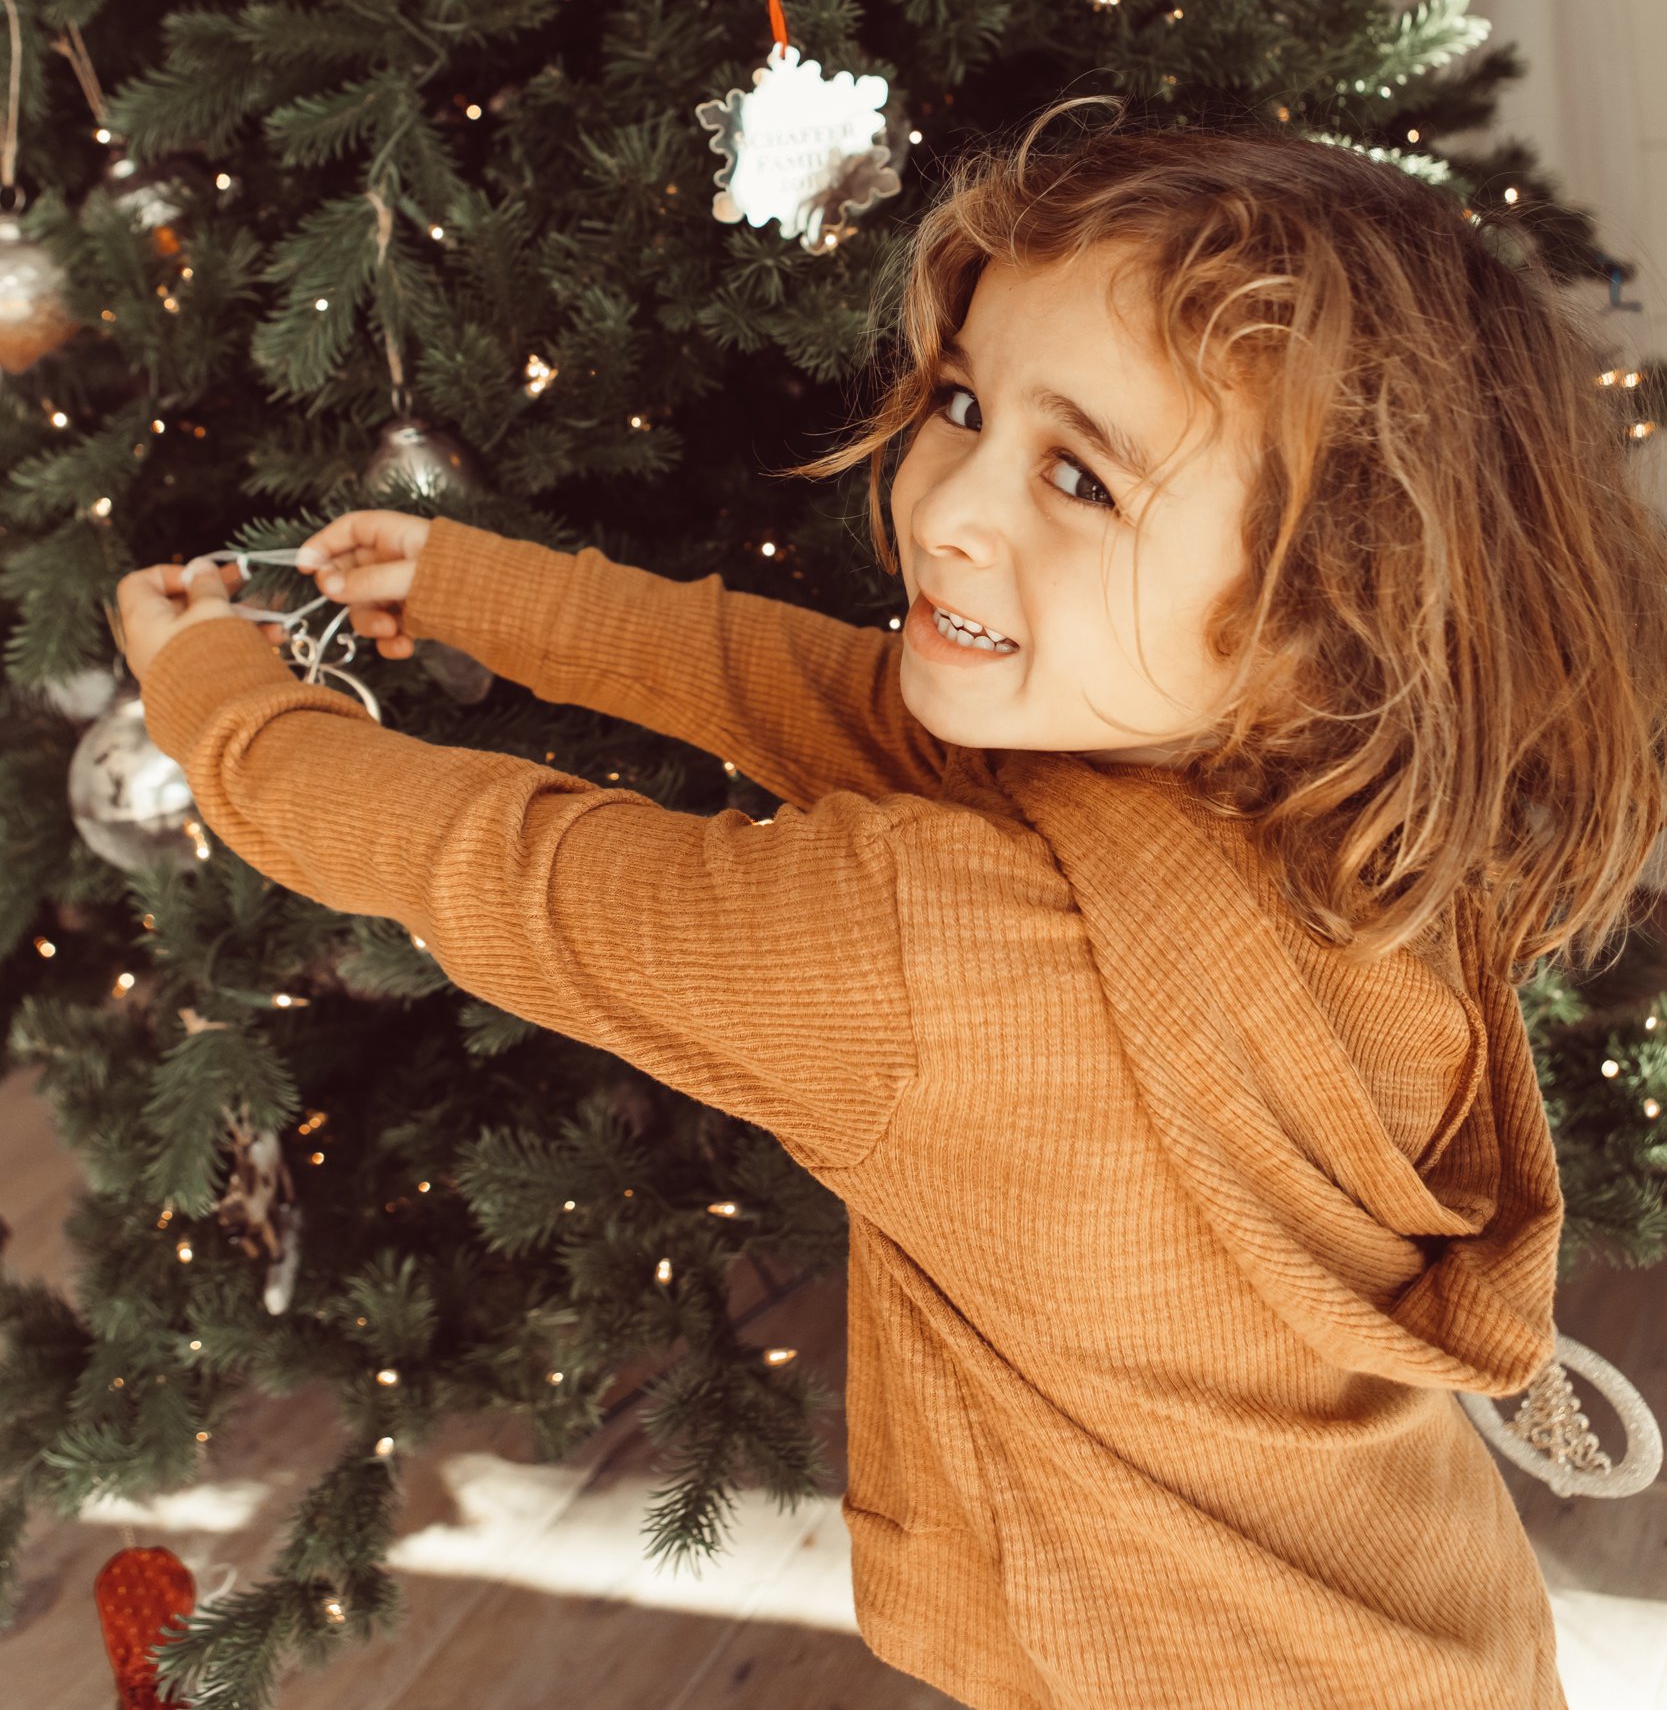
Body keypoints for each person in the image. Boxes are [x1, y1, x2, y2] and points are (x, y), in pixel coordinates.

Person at [117, 98, 1667, 1710]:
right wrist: (475, 590)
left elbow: (495, 861)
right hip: (1434, 1638)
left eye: (1079, 475)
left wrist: (218, 699)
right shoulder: (1321, 804)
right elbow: (814, 687)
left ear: (1334, 612)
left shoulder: (932, 961)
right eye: (962, 403)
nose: (942, 508)